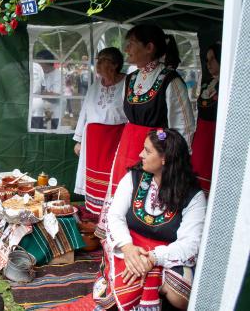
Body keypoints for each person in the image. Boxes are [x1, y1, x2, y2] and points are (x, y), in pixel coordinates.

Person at [95, 24, 195, 239]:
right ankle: (118, 241)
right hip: (129, 147)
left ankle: (145, 243)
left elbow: (183, 128)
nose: (126, 48)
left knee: (146, 198)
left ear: (149, 47)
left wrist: (174, 162)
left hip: (156, 151)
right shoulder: (131, 79)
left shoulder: (170, 80)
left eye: (131, 44)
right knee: (122, 196)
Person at [93, 129, 206, 310]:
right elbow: (114, 216)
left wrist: (154, 258)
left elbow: (191, 243)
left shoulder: (193, 196)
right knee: (131, 279)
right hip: (130, 246)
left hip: (168, 253)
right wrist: (128, 248)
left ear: (165, 159)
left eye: (147, 151)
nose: (140, 154)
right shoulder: (133, 178)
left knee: (178, 294)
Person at [73, 47, 128, 217]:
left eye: (103, 60)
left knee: (112, 178)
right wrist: (80, 139)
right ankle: (94, 213)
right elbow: (85, 112)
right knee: (93, 178)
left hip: (115, 140)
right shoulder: (95, 86)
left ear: (115, 64)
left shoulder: (127, 84)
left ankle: (109, 215)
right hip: (93, 142)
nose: (98, 64)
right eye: (98, 60)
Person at [190, 43, 221, 196]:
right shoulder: (207, 84)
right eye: (207, 59)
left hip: (216, 136)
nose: (208, 64)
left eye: (213, 59)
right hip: (201, 134)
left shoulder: (229, 86)